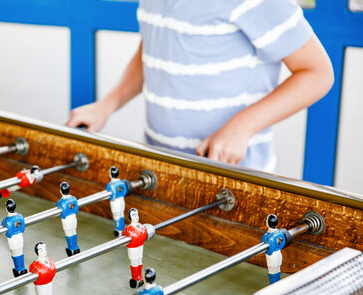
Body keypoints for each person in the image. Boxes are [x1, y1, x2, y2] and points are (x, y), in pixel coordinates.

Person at [67, 0, 333, 171]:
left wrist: (241, 127)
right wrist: (106, 105)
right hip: (160, 167)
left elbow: (317, 73)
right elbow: (154, 49)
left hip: (235, 180)